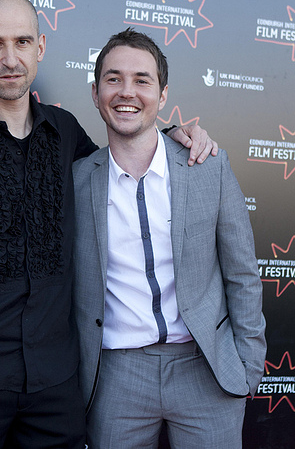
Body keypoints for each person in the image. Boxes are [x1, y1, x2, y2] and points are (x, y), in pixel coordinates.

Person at [0, 0, 216, 449]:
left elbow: (123, 162)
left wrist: (171, 134)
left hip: (56, 387)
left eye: (22, 42)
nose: (10, 59)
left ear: (40, 48)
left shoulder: (66, 134)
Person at [72, 29, 267, 448]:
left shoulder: (207, 165)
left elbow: (243, 273)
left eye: (142, 80)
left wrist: (249, 364)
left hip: (205, 368)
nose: (127, 91)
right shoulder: (76, 181)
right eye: (113, 78)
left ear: (162, 96)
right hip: (115, 377)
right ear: (95, 92)